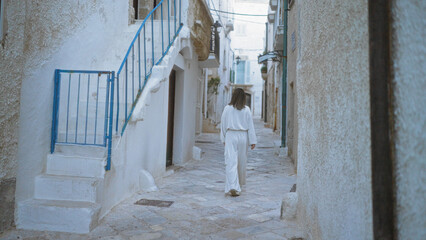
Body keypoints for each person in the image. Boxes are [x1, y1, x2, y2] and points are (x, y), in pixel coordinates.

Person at [220, 88, 257, 197]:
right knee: (241, 161)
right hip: (243, 136)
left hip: (231, 135)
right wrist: (252, 140)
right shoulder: (247, 109)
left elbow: (223, 124)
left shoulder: (227, 109)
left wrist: (223, 138)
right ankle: (237, 185)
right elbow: (250, 125)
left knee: (231, 161)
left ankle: (234, 186)